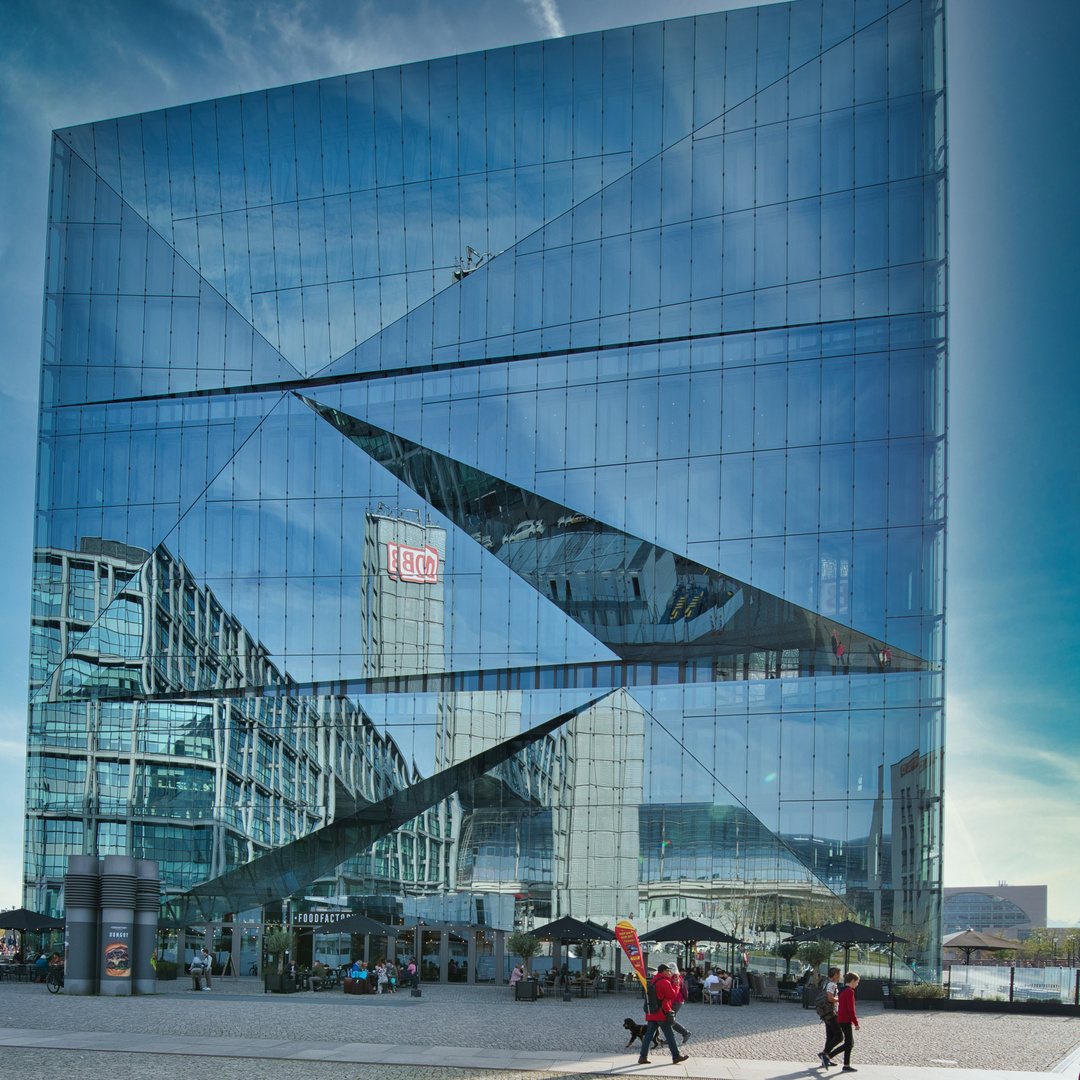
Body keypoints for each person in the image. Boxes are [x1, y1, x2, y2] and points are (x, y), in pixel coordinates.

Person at [637, 964, 690, 1067]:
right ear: (663, 971)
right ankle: (676, 1056)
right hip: (662, 1013)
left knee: (648, 1035)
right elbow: (672, 995)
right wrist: (677, 985)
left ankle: (642, 1057)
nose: (670, 973)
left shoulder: (654, 980)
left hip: (652, 1012)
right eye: (668, 971)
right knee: (670, 1035)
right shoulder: (664, 982)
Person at [818, 966, 844, 1068]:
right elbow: (830, 998)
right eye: (839, 974)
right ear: (835, 975)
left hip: (826, 1013)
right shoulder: (832, 984)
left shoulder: (826, 983)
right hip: (830, 1013)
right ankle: (825, 1054)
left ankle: (826, 1059)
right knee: (838, 1036)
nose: (840, 976)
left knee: (830, 1035)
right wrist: (839, 999)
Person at [836, 972, 860, 1072]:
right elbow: (851, 1008)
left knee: (849, 1042)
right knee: (849, 1043)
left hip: (841, 1018)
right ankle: (828, 1056)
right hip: (846, 1019)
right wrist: (856, 1022)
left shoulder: (842, 990)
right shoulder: (850, 991)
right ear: (852, 981)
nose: (857, 984)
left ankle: (846, 1064)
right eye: (857, 982)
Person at [668, 966, 692, 1044]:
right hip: (678, 1000)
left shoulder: (674, 978)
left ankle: (685, 1032)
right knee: (669, 1020)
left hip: (676, 1001)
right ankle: (670, 1037)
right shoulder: (678, 977)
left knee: (670, 1020)